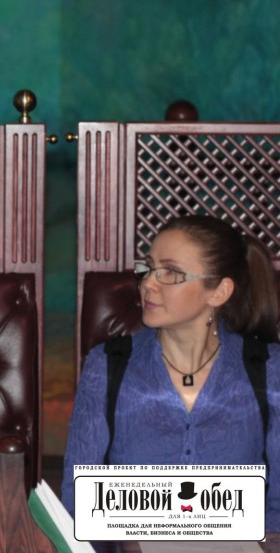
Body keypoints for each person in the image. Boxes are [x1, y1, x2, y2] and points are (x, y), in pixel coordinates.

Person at [62, 214, 280, 529]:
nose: (148, 283)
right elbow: (77, 504)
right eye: (149, 268)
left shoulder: (268, 368)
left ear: (218, 292)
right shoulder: (108, 365)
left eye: (170, 272)